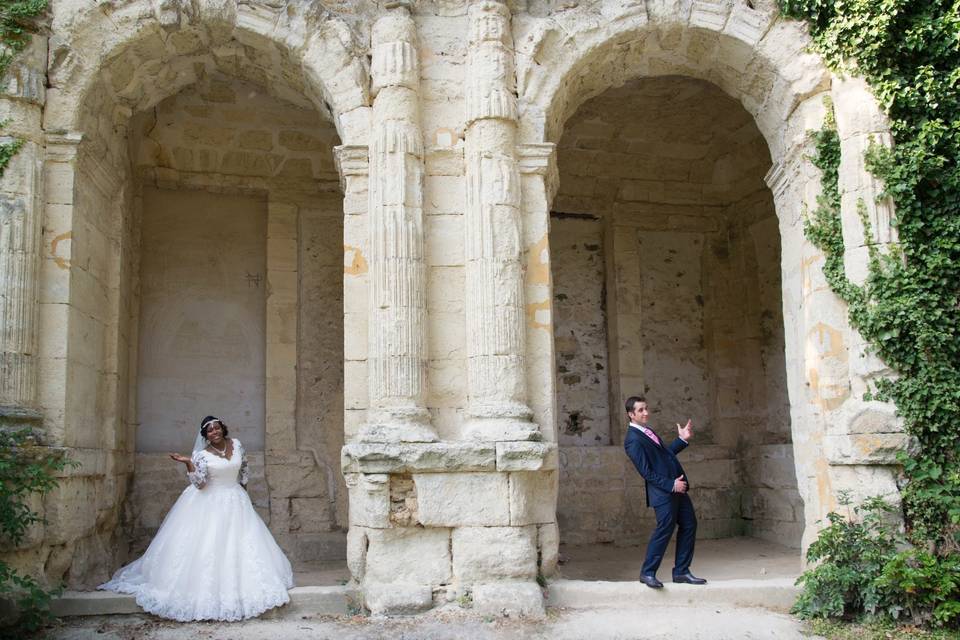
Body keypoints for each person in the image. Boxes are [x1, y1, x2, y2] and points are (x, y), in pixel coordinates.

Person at [99, 416, 293, 621]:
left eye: (217, 428)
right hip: (210, 501)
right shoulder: (202, 455)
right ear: (205, 435)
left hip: (236, 500)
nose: (214, 432)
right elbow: (200, 484)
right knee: (209, 544)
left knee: (243, 543)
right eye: (210, 430)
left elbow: (244, 469)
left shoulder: (236, 445)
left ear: (222, 428)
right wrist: (188, 463)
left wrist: (243, 495)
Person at [623, 396, 706, 589]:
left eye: (646, 408)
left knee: (689, 524)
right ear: (631, 414)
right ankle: (647, 573)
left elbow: (663, 456)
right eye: (641, 410)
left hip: (677, 488)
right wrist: (671, 485)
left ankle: (681, 572)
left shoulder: (647, 431)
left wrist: (681, 440)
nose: (646, 412)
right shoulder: (632, 440)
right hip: (664, 492)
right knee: (664, 530)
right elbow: (646, 472)